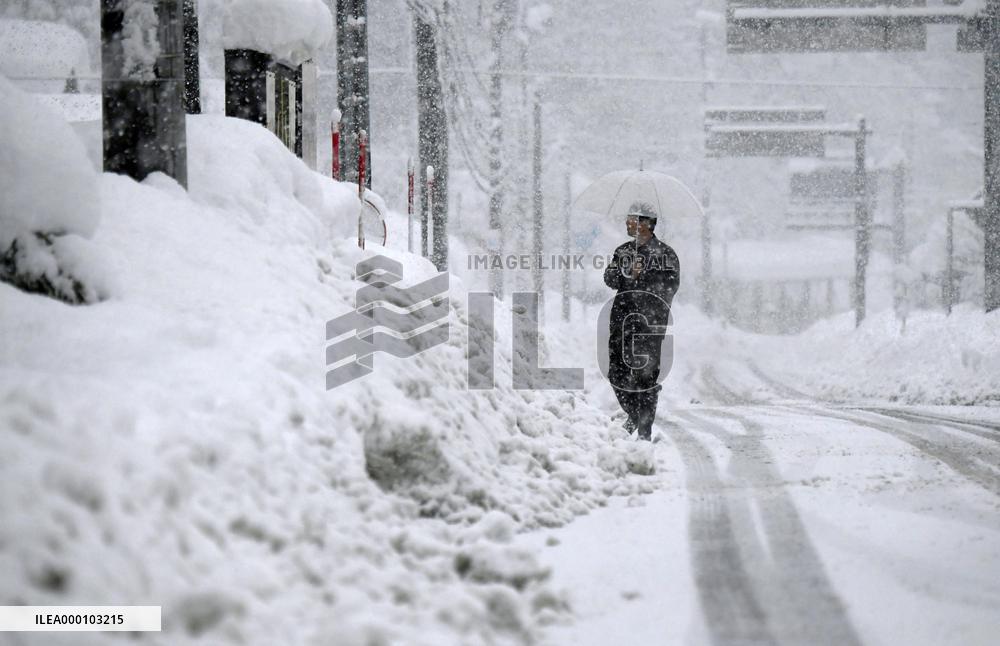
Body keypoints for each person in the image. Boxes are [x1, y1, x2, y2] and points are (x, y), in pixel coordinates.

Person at [602, 201, 680, 440]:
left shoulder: (665, 254)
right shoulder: (623, 251)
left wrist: (642, 276)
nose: (627, 222)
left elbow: (670, 287)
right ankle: (635, 414)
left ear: (646, 224)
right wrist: (627, 274)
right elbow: (609, 278)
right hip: (621, 323)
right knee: (616, 373)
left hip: (649, 325)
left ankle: (645, 433)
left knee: (645, 378)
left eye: (632, 219)